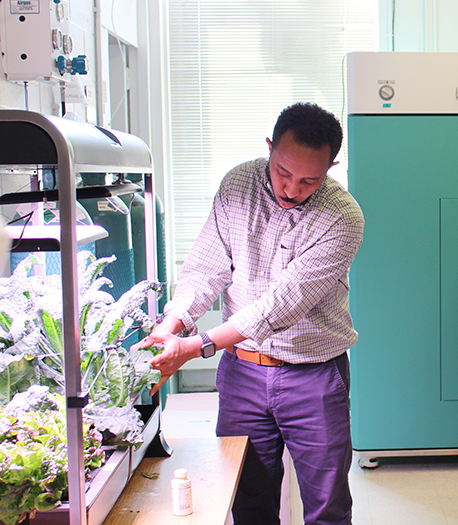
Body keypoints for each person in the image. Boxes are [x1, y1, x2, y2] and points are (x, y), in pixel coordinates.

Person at [135, 102, 364, 525]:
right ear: (270, 147)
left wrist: (196, 346)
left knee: (327, 507)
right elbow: (206, 268)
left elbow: (281, 304)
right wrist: (169, 330)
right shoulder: (238, 184)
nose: (292, 188)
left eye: (309, 179)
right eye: (282, 171)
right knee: (248, 500)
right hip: (243, 375)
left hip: (313, 377)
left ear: (331, 166)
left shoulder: (342, 216)